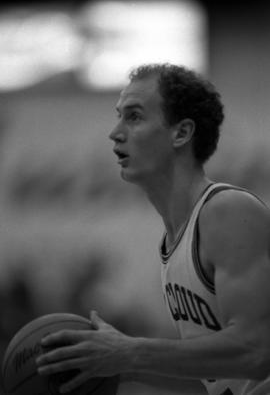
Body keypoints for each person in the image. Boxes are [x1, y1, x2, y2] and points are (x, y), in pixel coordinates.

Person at [36, 63, 270, 395]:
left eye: (133, 116)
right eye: (119, 116)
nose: (115, 132)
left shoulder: (227, 211)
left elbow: (255, 351)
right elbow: (215, 376)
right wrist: (110, 366)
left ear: (181, 133)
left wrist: (130, 352)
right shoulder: (175, 239)